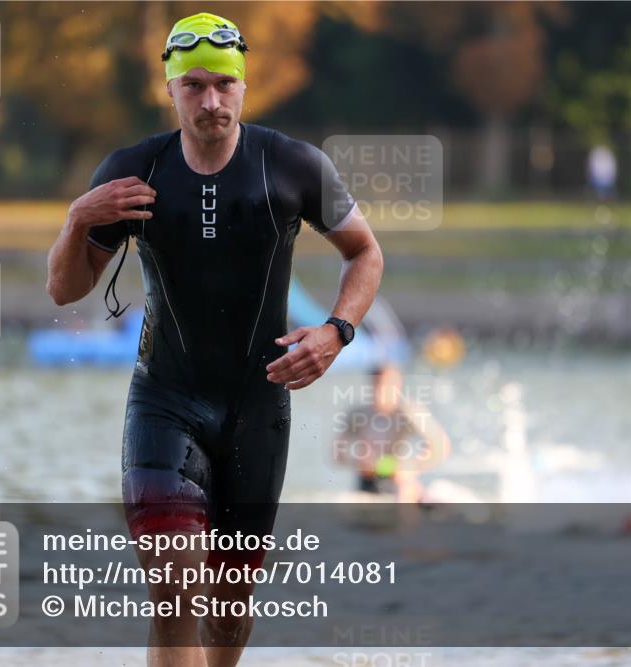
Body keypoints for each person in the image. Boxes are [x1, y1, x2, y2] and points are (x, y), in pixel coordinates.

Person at [45, 12, 383, 667]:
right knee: (173, 593)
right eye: (193, 86)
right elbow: (65, 290)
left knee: (229, 611)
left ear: (244, 86)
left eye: (224, 84)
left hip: (258, 409)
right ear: (169, 89)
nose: (210, 100)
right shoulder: (134, 171)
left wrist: (338, 331)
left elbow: (364, 252)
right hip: (164, 399)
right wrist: (77, 220)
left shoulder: (291, 165)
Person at [333, 365, 450, 503]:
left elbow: (442, 445)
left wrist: (412, 467)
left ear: (399, 386)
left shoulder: (409, 412)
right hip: (368, 479)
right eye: (380, 384)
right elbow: (337, 454)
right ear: (372, 384)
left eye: (390, 385)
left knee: (405, 496)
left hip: (401, 481)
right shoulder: (358, 413)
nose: (384, 390)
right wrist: (358, 462)